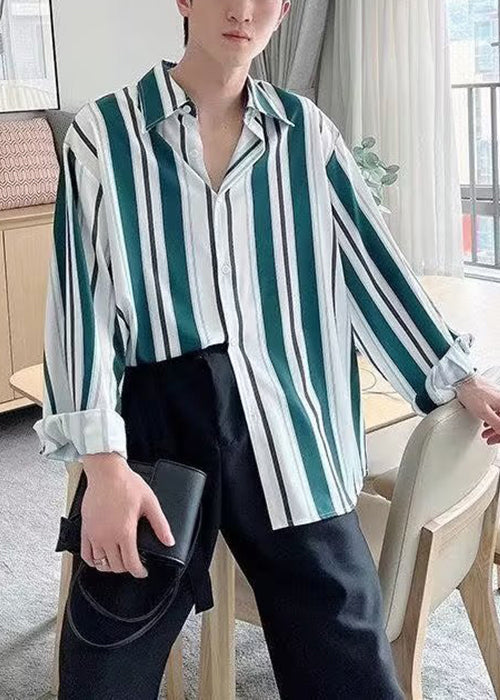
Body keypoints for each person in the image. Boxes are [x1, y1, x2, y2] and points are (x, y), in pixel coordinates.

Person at [33, 0, 500, 698]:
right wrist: (102, 469)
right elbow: (83, 302)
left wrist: (458, 375)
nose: (243, 10)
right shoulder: (105, 134)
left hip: (289, 422)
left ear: (283, 10)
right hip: (160, 428)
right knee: (105, 659)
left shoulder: (307, 134)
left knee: (349, 656)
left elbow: (375, 269)